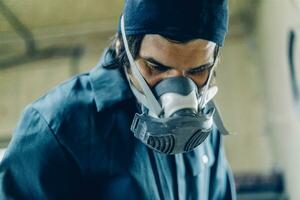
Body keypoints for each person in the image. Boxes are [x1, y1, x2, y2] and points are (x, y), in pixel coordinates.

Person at [0, 0, 236, 199]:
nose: (178, 92)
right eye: (156, 66)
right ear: (123, 46)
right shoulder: (56, 129)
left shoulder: (207, 131)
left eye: (197, 71)